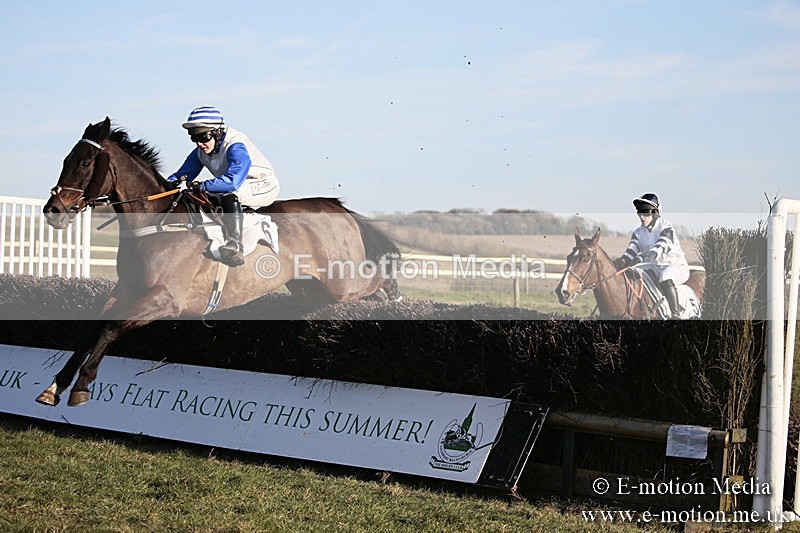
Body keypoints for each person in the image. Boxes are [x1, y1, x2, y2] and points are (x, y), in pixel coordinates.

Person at [166, 105, 280, 266]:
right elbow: (180, 177)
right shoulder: (201, 151)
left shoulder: (236, 146)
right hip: (237, 184)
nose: (199, 143)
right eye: (194, 138)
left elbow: (232, 182)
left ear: (217, 132)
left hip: (263, 185)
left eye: (203, 137)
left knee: (229, 193)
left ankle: (235, 243)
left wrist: (199, 185)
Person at [614, 193, 690, 319]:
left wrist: (642, 258)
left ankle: (676, 315)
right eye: (640, 214)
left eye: (646, 214)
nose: (642, 217)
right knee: (634, 272)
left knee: (665, 277)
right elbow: (630, 251)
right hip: (654, 267)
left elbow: (659, 248)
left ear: (655, 213)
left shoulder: (666, 226)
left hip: (675, 265)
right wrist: (622, 261)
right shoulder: (638, 232)